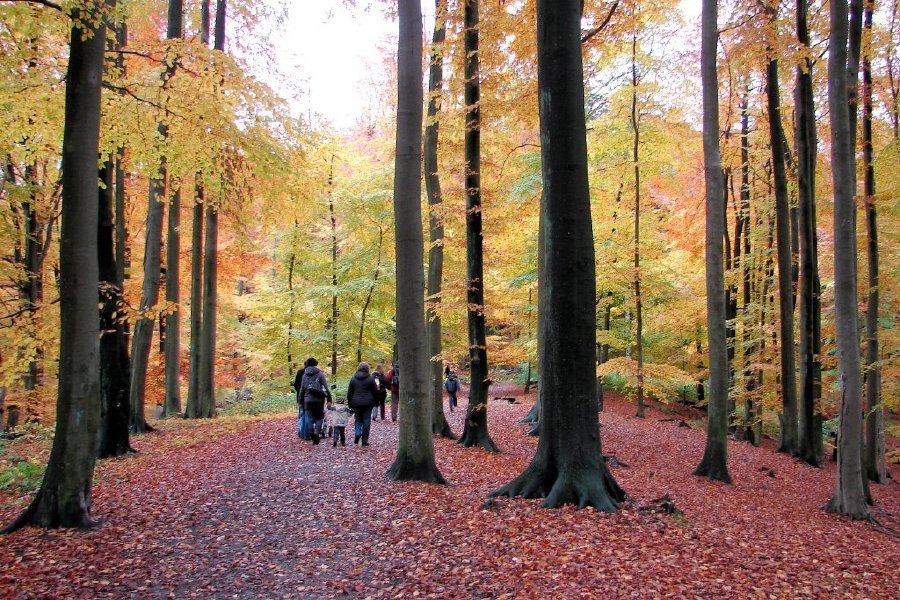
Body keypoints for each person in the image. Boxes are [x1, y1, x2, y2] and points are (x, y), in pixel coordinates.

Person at [300, 357, 331, 444]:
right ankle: (317, 432)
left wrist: (300, 401)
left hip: (307, 400)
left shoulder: (304, 375)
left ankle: (310, 434)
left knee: (308, 419)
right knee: (319, 418)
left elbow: (302, 389)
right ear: (316, 364)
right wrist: (329, 398)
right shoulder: (320, 374)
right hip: (319, 400)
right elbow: (325, 387)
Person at [347, 361, 377, 446]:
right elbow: (375, 392)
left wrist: (350, 404)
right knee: (366, 421)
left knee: (358, 419)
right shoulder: (370, 379)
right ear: (367, 368)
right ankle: (364, 441)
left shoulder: (353, 378)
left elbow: (350, 393)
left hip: (356, 403)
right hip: (368, 403)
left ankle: (357, 433)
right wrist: (376, 402)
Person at [293, 359, 312, 438]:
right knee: (308, 415)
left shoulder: (300, 372)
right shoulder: (313, 373)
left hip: (300, 397)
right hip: (309, 397)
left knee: (301, 415)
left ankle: (301, 432)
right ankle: (307, 434)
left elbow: (296, 384)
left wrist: (298, 391)